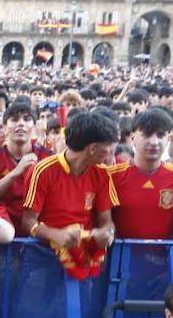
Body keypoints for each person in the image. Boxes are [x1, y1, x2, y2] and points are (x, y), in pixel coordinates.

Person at [21, 110, 120, 279]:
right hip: (42, 257)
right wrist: (55, 234)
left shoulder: (102, 173)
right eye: (108, 149)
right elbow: (28, 221)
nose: (112, 154)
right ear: (92, 148)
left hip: (82, 258)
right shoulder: (43, 170)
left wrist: (107, 234)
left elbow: (106, 221)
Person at [109, 107, 173, 240]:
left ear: (168, 138)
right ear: (133, 138)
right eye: (147, 134)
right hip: (121, 257)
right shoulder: (111, 176)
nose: (154, 142)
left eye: (160, 135)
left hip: (161, 259)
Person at [0, 101, 53, 233]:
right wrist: (16, 172)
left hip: (38, 232)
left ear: (34, 127)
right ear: (6, 128)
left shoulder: (48, 157)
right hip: (1, 231)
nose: (20, 123)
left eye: (26, 119)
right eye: (14, 119)